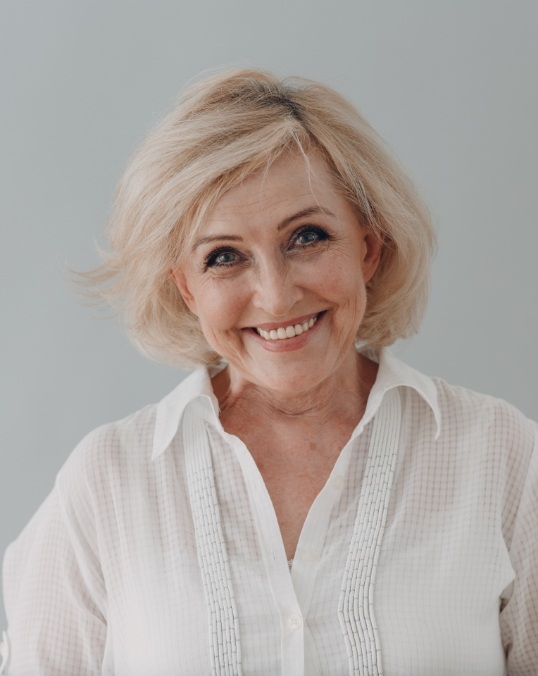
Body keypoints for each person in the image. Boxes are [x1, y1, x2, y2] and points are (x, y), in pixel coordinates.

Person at [1, 68, 537, 676]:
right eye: (223, 256)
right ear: (186, 288)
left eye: (307, 236)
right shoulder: (108, 484)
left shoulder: (502, 455)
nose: (277, 297)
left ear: (368, 247)